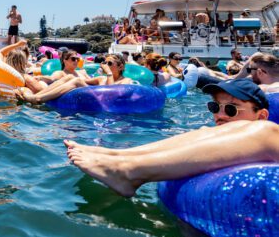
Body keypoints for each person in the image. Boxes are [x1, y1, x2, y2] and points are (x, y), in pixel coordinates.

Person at [65, 80, 273, 198]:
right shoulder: (213, 135)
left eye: (231, 109)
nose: (220, 114)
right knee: (204, 130)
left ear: (261, 115)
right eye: (214, 107)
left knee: (263, 131)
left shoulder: (266, 130)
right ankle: (120, 156)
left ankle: (129, 171)